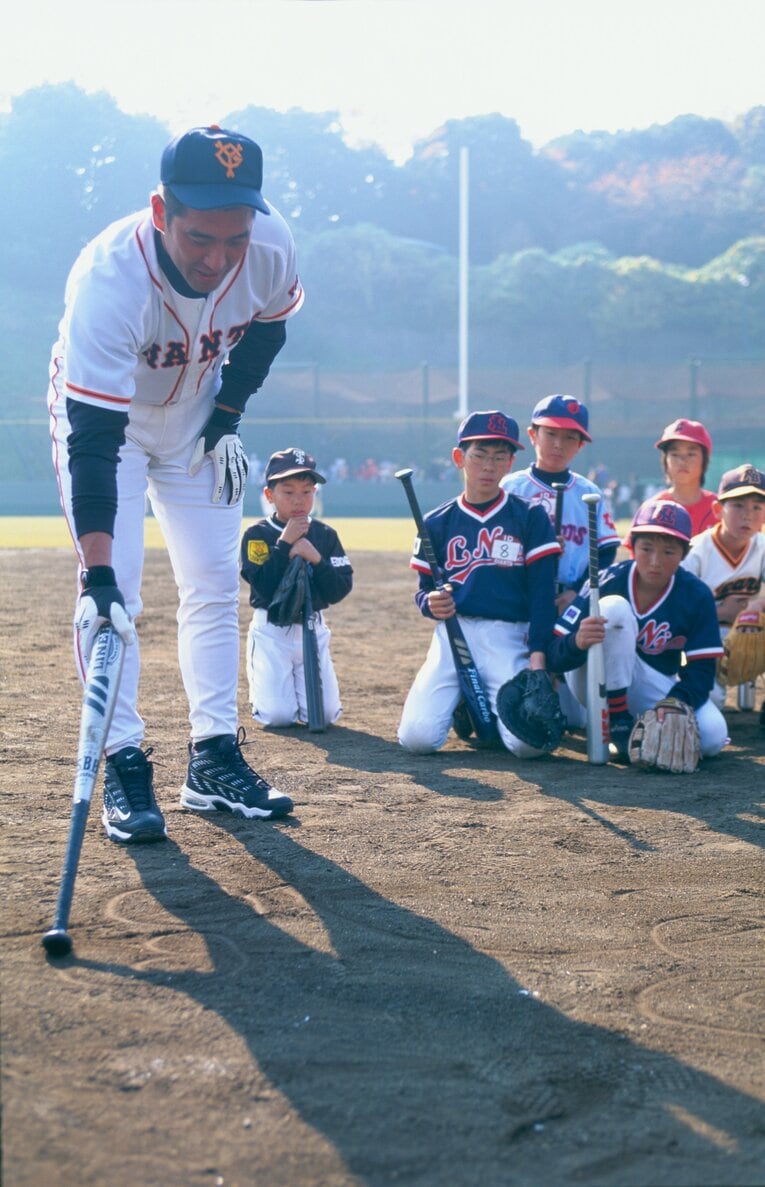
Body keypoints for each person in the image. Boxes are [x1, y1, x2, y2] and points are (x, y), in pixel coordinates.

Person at [47, 126, 304, 843]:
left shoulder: (273, 247)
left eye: (235, 239)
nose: (219, 259)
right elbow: (95, 441)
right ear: (161, 211)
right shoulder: (108, 279)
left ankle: (213, 757)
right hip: (112, 423)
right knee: (114, 596)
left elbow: (270, 329)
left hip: (196, 418)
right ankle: (123, 760)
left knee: (215, 583)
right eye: (200, 238)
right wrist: (95, 569)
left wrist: (225, 417)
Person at [397, 411, 561, 756]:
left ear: (511, 462)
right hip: (453, 633)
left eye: (499, 456)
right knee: (417, 739)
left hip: (509, 635)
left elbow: (543, 595)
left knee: (526, 746)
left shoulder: (530, 516)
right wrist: (431, 604)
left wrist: (538, 657)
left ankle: (476, 703)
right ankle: (463, 704)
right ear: (460, 458)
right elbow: (423, 590)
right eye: (480, 455)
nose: (489, 466)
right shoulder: (437, 522)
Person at [547, 499, 728, 763]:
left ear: (684, 554)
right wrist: (577, 642)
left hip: (650, 681)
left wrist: (677, 701)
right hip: (591, 679)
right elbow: (554, 654)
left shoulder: (696, 594)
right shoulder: (606, 582)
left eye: (669, 552)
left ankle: (630, 723)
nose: (655, 561)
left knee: (713, 737)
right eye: (646, 548)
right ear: (631, 547)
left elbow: (702, 669)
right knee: (614, 608)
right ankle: (618, 722)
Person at [240, 448, 353, 726]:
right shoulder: (258, 534)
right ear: (269, 495)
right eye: (288, 492)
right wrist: (284, 546)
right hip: (272, 630)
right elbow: (263, 586)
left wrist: (315, 557)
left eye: (306, 491)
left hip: (312, 627)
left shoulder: (325, 535)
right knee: (278, 717)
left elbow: (339, 588)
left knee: (325, 716)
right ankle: (264, 696)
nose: (298, 500)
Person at [500, 394, 620, 614]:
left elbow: (605, 552)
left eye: (569, 438)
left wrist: (578, 591)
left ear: (581, 445)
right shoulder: (510, 487)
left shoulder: (589, 493)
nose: (558, 444)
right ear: (532, 435)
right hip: (517, 594)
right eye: (551, 433)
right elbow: (495, 546)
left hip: (569, 598)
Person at [682, 464, 765, 714]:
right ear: (718, 510)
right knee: (713, 704)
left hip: (749, 628)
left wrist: (756, 605)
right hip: (704, 635)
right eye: (738, 505)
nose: (747, 515)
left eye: (757, 507)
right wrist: (721, 614)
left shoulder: (761, 545)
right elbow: (677, 610)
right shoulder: (696, 551)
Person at [653, 418, 720, 537]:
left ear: (704, 459)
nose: (682, 461)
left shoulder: (720, 510)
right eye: (675, 454)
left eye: (691, 454)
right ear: (665, 461)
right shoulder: (653, 509)